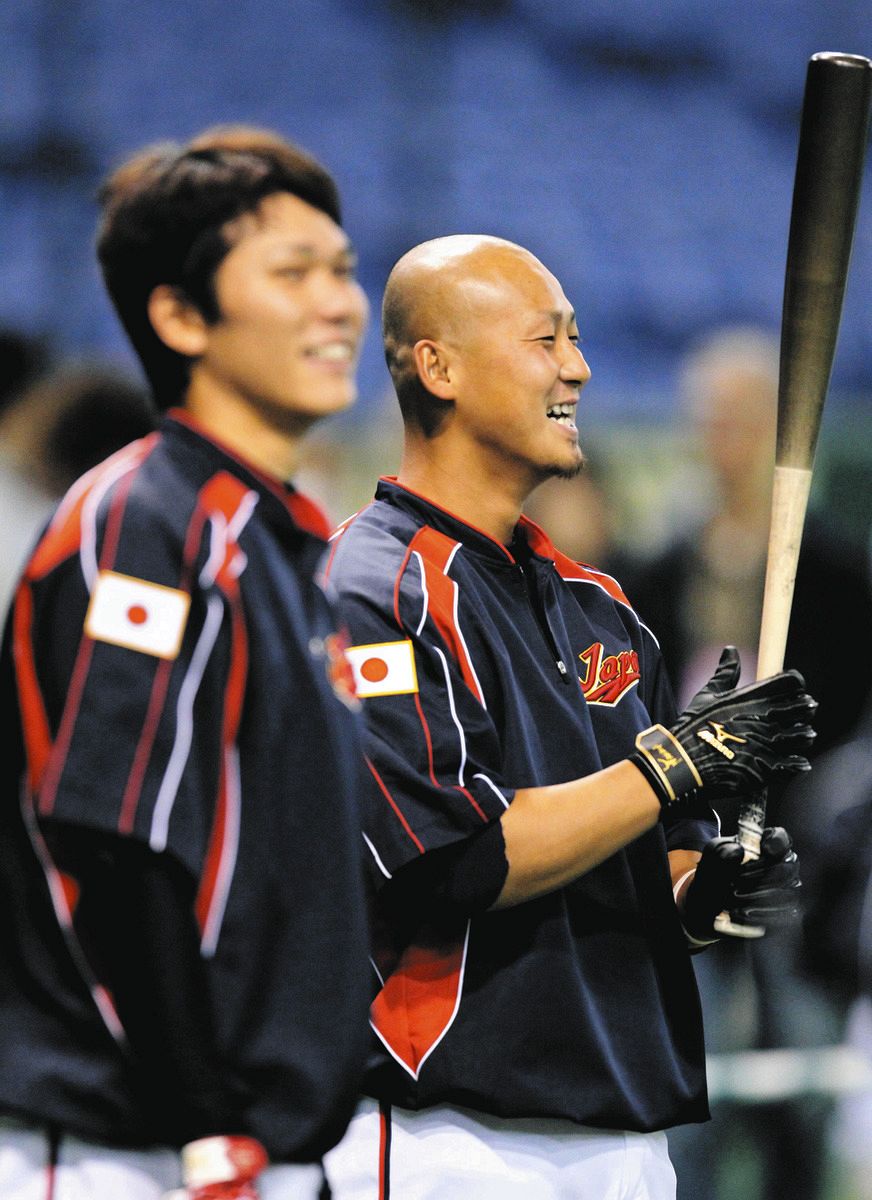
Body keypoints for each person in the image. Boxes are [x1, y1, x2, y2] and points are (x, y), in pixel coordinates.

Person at [322, 234, 816, 1199]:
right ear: (440, 366)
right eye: (546, 340)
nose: (580, 368)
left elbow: (656, 853)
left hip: (627, 1132)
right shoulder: (369, 586)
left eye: (578, 341)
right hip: (452, 1132)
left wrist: (705, 895)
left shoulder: (604, 608)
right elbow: (459, 857)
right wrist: (675, 764)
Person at [0, 125, 372, 1200]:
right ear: (179, 315)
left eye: (343, 271)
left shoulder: (283, 539)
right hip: (139, 1146)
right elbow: (110, 836)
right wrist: (203, 1127)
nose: (337, 303)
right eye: (292, 273)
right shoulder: (145, 519)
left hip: (251, 1145)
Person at [624, 327, 872, 1200]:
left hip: (803, 866)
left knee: (796, 1085)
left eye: (742, 417)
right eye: (710, 417)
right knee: (692, 1083)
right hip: (687, 851)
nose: (720, 436)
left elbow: (848, 724)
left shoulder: (839, 575)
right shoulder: (655, 571)